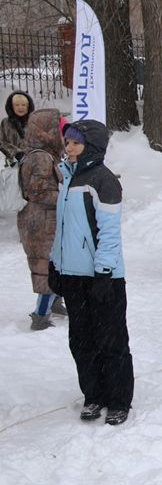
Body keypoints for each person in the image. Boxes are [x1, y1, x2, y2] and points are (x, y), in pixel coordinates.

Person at [49, 119, 134, 425]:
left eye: (75, 141)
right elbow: (62, 229)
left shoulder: (103, 180)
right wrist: (55, 265)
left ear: (92, 146)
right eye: (67, 141)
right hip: (73, 276)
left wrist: (103, 273)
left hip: (102, 276)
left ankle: (118, 399)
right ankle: (93, 395)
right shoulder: (68, 178)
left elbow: (109, 233)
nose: (68, 146)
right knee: (81, 340)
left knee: (110, 340)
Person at [17, 109, 65, 330]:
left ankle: (55, 302)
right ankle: (41, 315)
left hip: (42, 219)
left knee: (52, 263)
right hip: (42, 220)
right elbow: (37, 192)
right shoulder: (42, 157)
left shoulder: (41, 154)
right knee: (46, 266)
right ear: (47, 132)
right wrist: (66, 195)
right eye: (59, 129)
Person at [1, 90, 34, 164]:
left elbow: (41, 142)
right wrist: (16, 153)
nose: (20, 108)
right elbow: (2, 142)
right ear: (12, 107)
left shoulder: (34, 122)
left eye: (23, 105)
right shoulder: (5, 122)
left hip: (32, 163)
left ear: (28, 106)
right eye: (17, 105)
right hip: (12, 164)